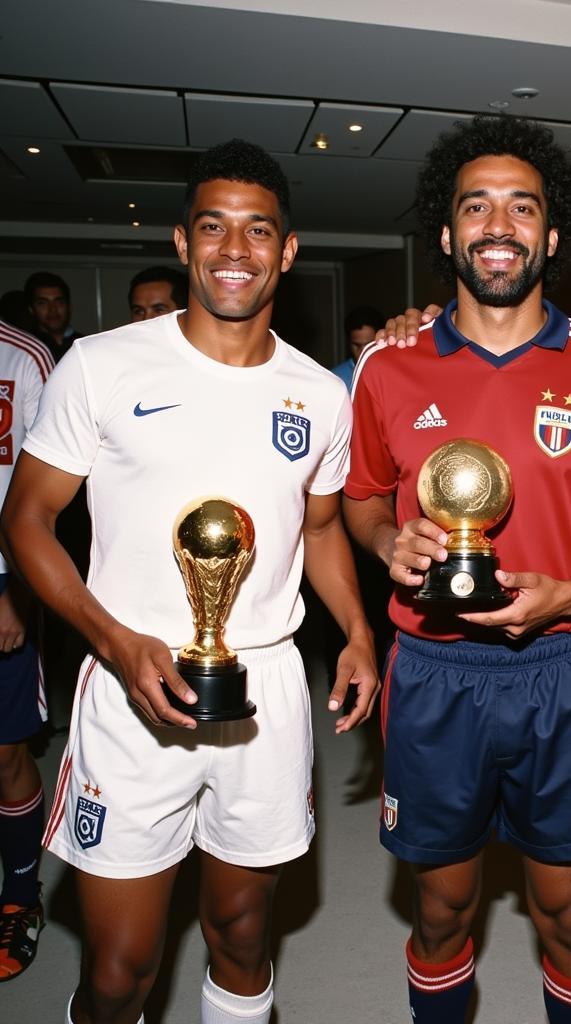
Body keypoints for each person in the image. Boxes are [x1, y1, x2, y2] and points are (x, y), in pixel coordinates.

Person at [1, 138, 378, 1024]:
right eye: (214, 227)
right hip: (132, 681)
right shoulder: (103, 364)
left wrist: (357, 632)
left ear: (287, 251)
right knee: (121, 968)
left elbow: (320, 528)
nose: (234, 250)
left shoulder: (319, 394)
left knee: (243, 935)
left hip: (269, 689)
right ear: (182, 241)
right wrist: (113, 640)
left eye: (258, 231)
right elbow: (25, 519)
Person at [342, 114, 571, 1024]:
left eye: (523, 207)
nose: (499, 225)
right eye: (476, 206)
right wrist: (382, 542)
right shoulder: (388, 367)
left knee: (570, 913)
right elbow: (358, 499)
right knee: (441, 910)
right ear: (447, 235)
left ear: (551, 236)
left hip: (564, 672)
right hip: (433, 671)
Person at [0, 318, 53, 983]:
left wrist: (16, 591)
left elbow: (37, 493)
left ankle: (19, 893)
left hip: (2, 576)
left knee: (6, 748)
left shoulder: (24, 356)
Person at [24, 271, 82, 362]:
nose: (52, 309)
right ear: (31, 309)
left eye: (59, 302)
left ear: (69, 306)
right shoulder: (27, 348)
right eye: (42, 303)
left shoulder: (84, 344)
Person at [331, 305, 384, 393]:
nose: (362, 352)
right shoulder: (336, 379)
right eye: (357, 345)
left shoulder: (392, 374)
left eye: (368, 345)